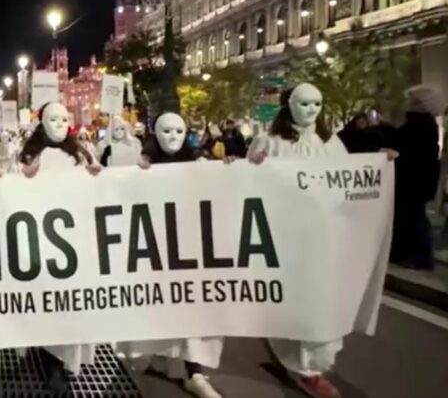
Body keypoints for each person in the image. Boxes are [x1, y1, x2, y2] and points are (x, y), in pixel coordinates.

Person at [247, 83, 353, 398]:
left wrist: (381, 163)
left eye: (317, 104)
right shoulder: (269, 142)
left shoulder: (331, 142)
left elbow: (350, 178)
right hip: (286, 237)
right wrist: (255, 166)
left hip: (322, 236)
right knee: (294, 302)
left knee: (322, 301)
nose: (310, 111)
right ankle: (305, 370)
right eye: (304, 104)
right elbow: (247, 184)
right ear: (289, 105)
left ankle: (313, 363)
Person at [117, 112, 223, 398]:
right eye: (166, 131)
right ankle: (158, 355)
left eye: (179, 131)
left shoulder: (201, 163)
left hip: (192, 248)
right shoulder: (142, 166)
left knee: (193, 307)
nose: (173, 137)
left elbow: (227, 185)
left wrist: (236, 167)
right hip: (155, 248)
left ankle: (195, 372)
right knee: (157, 303)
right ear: (155, 133)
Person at [18, 102, 99, 395]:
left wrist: (97, 176)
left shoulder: (79, 154)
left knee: (70, 303)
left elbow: (96, 190)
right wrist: (22, 177)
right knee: (48, 302)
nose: (59, 124)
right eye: (52, 119)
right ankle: (51, 363)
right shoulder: (30, 154)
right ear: (42, 122)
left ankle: (65, 360)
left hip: (75, 240)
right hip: (42, 240)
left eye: (64, 119)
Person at [390, 86, 444, 269]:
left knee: (415, 218)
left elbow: (408, 151)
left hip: (414, 180)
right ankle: (413, 254)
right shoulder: (425, 124)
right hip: (418, 179)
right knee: (412, 216)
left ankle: (420, 257)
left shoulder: (420, 125)